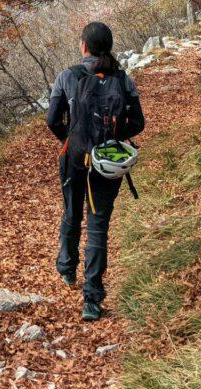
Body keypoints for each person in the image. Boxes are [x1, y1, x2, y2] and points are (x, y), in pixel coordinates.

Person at [45, 21, 145, 321]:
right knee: (98, 224)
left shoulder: (68, 76)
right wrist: (112, 139)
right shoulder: (123, 79)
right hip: (107, 161)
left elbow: (52, 119)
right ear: (110, 47)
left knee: (72, 213)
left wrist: (68, 138)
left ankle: (66, 266)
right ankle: (92, 298)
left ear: (84, 46)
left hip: (74, 159)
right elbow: (138, 123)